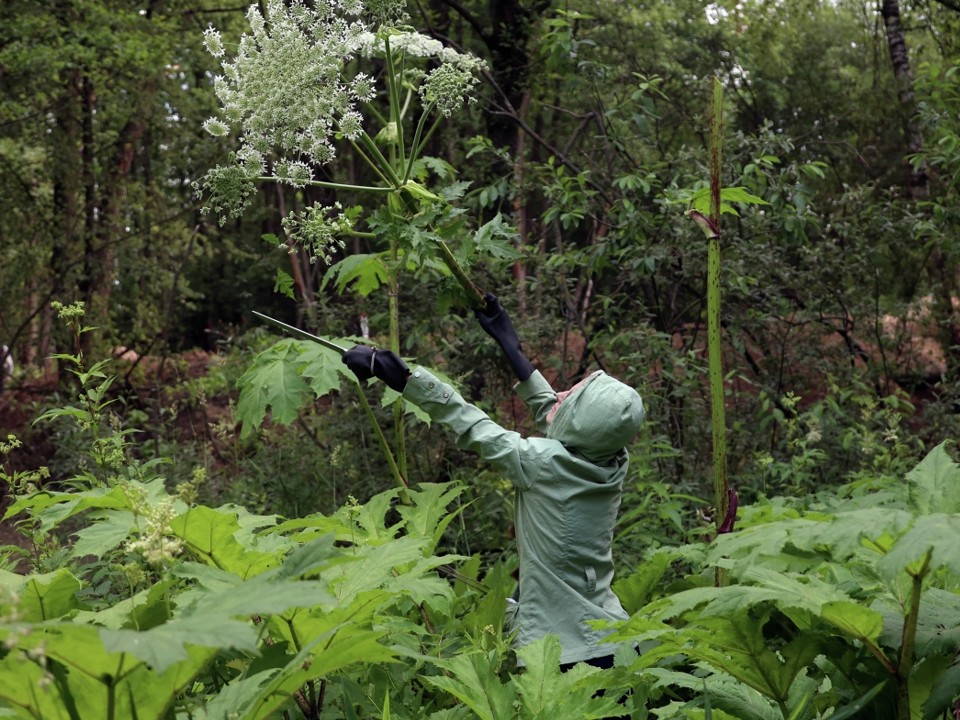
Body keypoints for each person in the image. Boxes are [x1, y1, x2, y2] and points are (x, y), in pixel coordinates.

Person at [342, 293, 644, 669]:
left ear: (579, 425)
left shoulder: (544, 464)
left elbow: (473, 425)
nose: (561, 393)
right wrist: (509, 344)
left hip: (567, 652)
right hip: (613, 637)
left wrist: (404, 378)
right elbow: (558, 414)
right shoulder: (612, 458)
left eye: (572, 395)